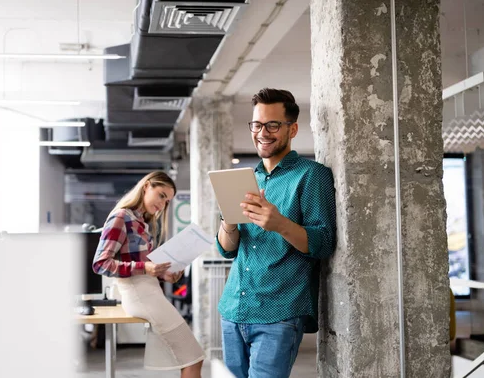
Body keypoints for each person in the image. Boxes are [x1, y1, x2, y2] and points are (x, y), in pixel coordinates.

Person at [216, 88, 337, 378]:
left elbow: (323, 243)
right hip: (233, 307)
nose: (263, 132)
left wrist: (279, 223)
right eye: (257, 125)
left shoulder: (311, 175)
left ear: (292, 128)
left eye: (272, 125)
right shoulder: (247, 179)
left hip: (279, 311)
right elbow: (227, 248)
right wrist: (228, 224)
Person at [93, 171, 204, 377]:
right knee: (193, 357)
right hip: (139, 294)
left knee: (192, 358)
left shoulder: (142, 223)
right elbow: (100, 264)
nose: (163, 205)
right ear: (147, 186)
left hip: (150, 291)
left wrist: (165, 274)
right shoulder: (121, 217)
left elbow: (144, 264)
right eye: (161, 195)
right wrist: (145, 268)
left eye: (167, 201)